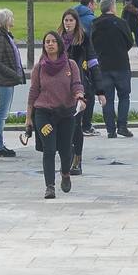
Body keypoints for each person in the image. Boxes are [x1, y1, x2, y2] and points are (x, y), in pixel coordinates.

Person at [23, 31, 86, 199]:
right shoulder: (39, 67)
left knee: (66, 150)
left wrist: (80, 96)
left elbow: (77, 85)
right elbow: (33, 93)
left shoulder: (70, 65)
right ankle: (49, 186)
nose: (49, 44)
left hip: (66, 114)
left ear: (59, 44)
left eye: (52, 41)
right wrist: (29, 118)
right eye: (46, 42)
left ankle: (65, 174)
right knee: (49, 149)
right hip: (44, 115)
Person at [58, 9, 99, 173]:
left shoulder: (83, 39)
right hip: (60, 88)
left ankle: (77, 160)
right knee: (63, 125)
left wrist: (100, 89)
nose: (68, 23)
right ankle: (66, 156)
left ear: (76, 22)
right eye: (65, 20)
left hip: (79, 87)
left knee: (75, 125)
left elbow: (93, 62)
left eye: (71, 20)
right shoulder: (57, 40)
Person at [90, 0, 136, 138]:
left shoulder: (95, 23)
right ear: (112, 7)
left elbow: (91, 43)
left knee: (107, 98)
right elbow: (130, 41)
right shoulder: (121, 23)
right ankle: (122, 126)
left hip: (103, 65)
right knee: (124, 96)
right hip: (121, 63)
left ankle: (110, 129)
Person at [0, 8, 25, 157]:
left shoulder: (6, 36)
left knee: (3, 114)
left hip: (8, 80)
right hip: (4, 81)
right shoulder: (0, 38)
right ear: (5, 21)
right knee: (2, 114)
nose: (13, 19)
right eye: (11, 17)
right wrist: (14, 74)